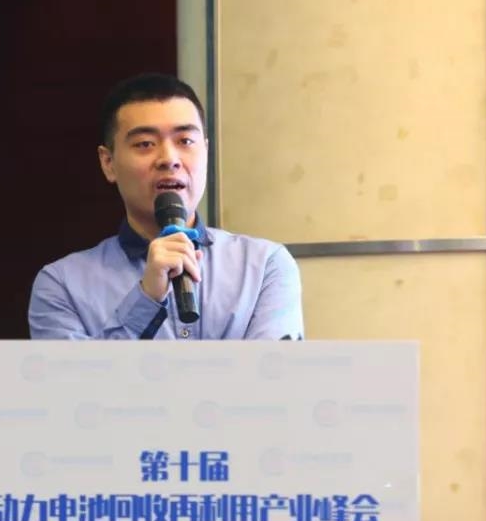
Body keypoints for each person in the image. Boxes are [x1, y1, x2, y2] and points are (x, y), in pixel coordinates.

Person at [28, 73, 303, 340]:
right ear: (108, 163)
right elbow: (73, 374)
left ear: (206, 151)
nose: (169, 159)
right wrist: (146, 298)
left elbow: (272, 370)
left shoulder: (265, 266)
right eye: (145, 144)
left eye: (185, 141)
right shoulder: (61, 285)